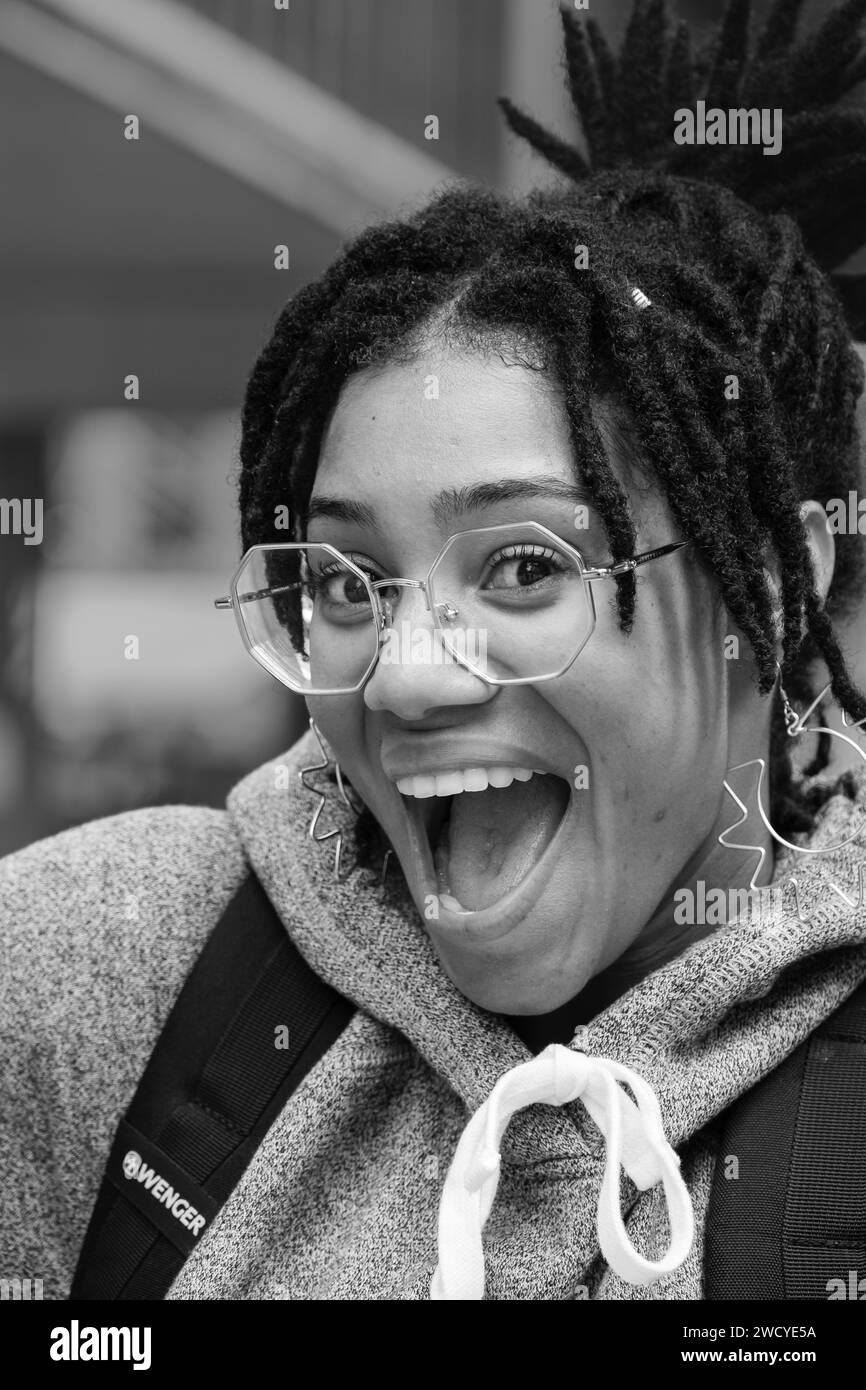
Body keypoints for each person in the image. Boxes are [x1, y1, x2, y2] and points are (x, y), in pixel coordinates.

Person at [3, 0, 866, 1301]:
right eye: (346, 577)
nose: (404, 672)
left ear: (774, 582)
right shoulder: (96, 974)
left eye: (523, 565)